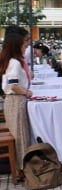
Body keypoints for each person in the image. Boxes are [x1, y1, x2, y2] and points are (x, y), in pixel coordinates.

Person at [1, 32, 32, 177]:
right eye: (23, 43)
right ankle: (22, 168)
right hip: (16, 101)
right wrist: (26, 92)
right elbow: (13, 85)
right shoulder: (14, 63)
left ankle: (21, 167)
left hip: (12, 101)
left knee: (20, 135)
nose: (26, 45)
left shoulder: (10, 61)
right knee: (21, 136)